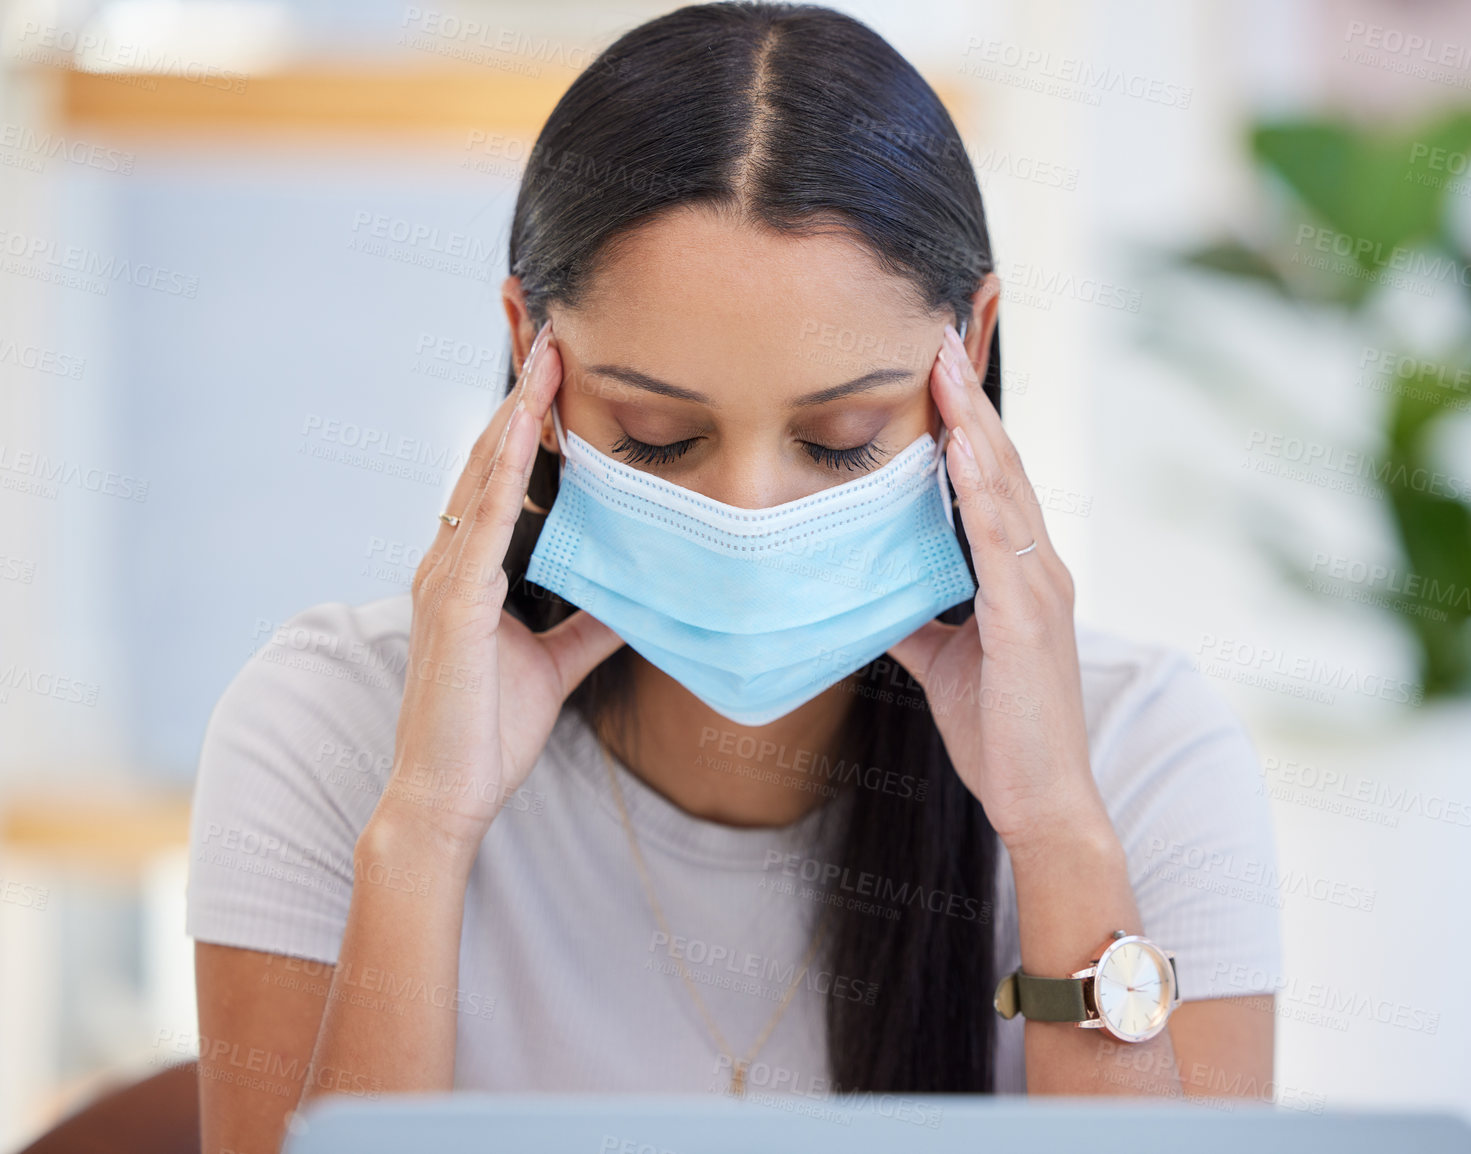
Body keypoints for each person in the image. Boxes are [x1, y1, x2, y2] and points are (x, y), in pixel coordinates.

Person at [186, 4, 1282, 1151]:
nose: (748, 516)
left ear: (976, 342)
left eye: (844, 436)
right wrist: (422, 829)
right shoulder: (329, 728)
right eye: (658, 435)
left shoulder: (1146, 756)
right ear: (531, 357)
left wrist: (1057, 830)